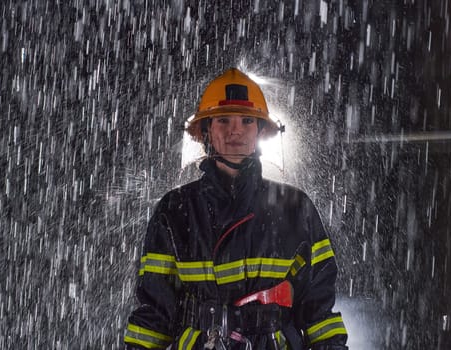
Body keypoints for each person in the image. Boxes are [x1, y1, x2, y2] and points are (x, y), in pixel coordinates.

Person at [124, 68, 348, 349]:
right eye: (223, 120)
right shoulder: (175, 210)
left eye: (246, 121)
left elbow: (319, 312)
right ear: (206, 131)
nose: (235, 131)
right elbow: (153, 314)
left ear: (260, 132)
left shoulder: (296, 208)